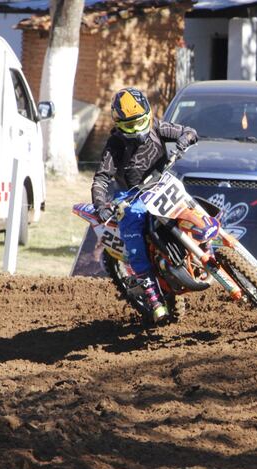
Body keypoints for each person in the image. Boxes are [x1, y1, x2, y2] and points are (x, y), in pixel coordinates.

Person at [92, 87, 198, 322]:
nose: (136, 130)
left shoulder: (159, 127)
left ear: (148, 115)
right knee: (133, 225)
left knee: (189, 204)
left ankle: (208, 245)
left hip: (161, 183)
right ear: (119, 124)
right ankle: (152, 295)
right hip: (131, 196)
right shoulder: (115, 144)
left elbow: (189, 131)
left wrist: (181, 144)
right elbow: (101, 178)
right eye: (128, 126)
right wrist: (101, 205)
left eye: (139, 123)